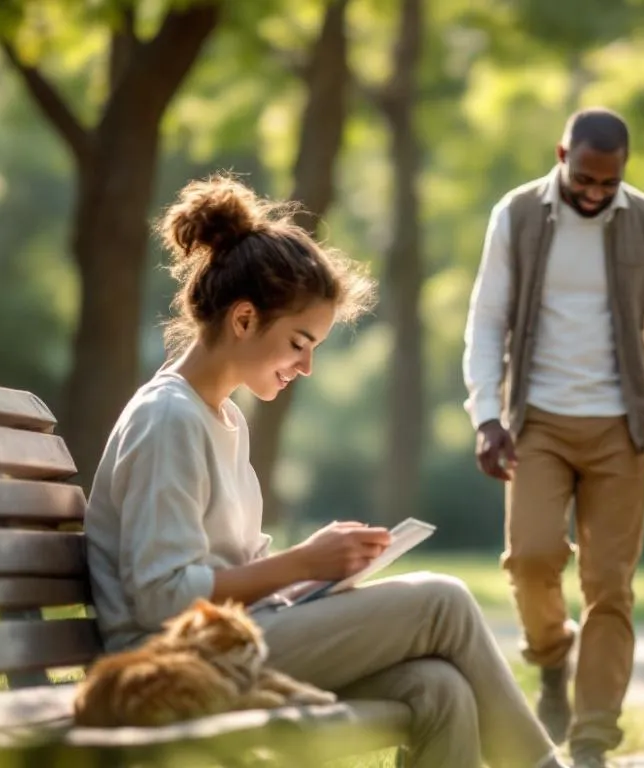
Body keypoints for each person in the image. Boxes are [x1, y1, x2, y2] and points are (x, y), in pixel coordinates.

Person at [84, 173, 566, 768]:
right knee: (443, 601)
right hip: (168, 667)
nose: (306, 366)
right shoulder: (169, 418)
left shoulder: (223, 421)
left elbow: (234, 574)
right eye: (298, 343)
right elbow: (163, 600)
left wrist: (316, 578)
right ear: (243, 320)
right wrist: (304, 564)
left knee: (440, 689)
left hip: (229, 647)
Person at [462, 107, 644, 768]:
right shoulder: (516, 215)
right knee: (531, 558)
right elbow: (487, 319)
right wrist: (486, 416)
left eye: (608, 183)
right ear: (563, 156)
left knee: (609, 585)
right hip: (537, 420)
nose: (594, 193)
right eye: (584, 179)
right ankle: (551, 656)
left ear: (624, 170)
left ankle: (593, 736)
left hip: (621, 424)